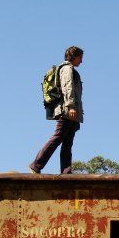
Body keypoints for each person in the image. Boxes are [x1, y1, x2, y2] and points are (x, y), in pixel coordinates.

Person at [29, 46, 84, 174]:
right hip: (67, 111)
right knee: (58, 137)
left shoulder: (71, 70)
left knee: (67, 143)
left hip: (72, 113)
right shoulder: (67, 69)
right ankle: (36, 165)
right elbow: (67, 87)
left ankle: (66, 172)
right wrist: (70, 106)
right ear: (74, 56)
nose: (81, 61)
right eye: (80, 58)